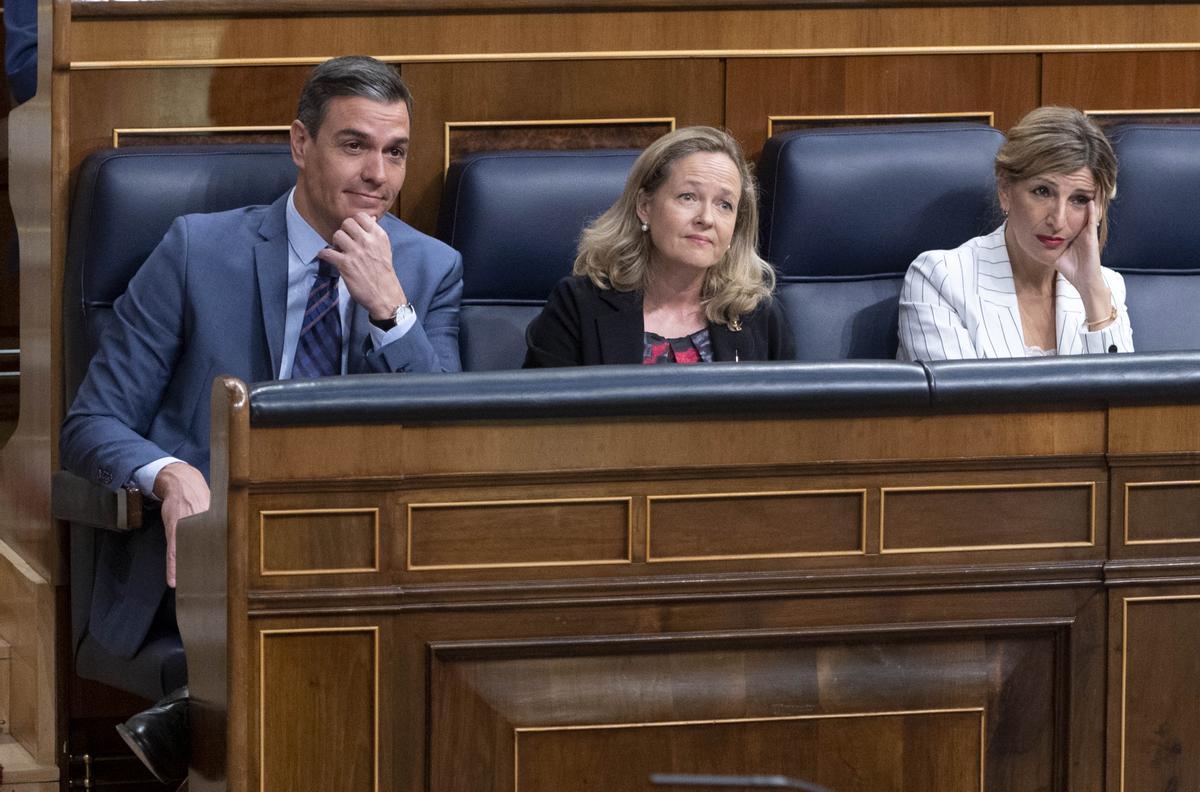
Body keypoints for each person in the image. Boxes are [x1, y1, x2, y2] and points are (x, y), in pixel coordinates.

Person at [60, 55, 463, 785]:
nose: (379, 172)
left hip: (360, 553)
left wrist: (389, 313)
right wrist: (171, 475)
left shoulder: (430, 271)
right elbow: (91, 423)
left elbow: (449, 440)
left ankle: (193, 716)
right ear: (300, 144)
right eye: (354, 144)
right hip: (212, 557)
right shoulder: (195, 250)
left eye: (396, 152)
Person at [523, 126, 794, 367]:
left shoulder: (757, 316)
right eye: (688, 197)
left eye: (725, 205)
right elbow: (540, 419)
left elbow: (790, 420)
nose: (707, 219)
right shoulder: (579, 306)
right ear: (645, 206)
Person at [897, 106, 1133, 360]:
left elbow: (1120, 397)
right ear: (1005, 190)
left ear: (1097, 210)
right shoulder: (940, 279)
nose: (1058, 219)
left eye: (1079, 199)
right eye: (1042, 191)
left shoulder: (1107, 287)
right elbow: (960, 399)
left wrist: (1093, 294)